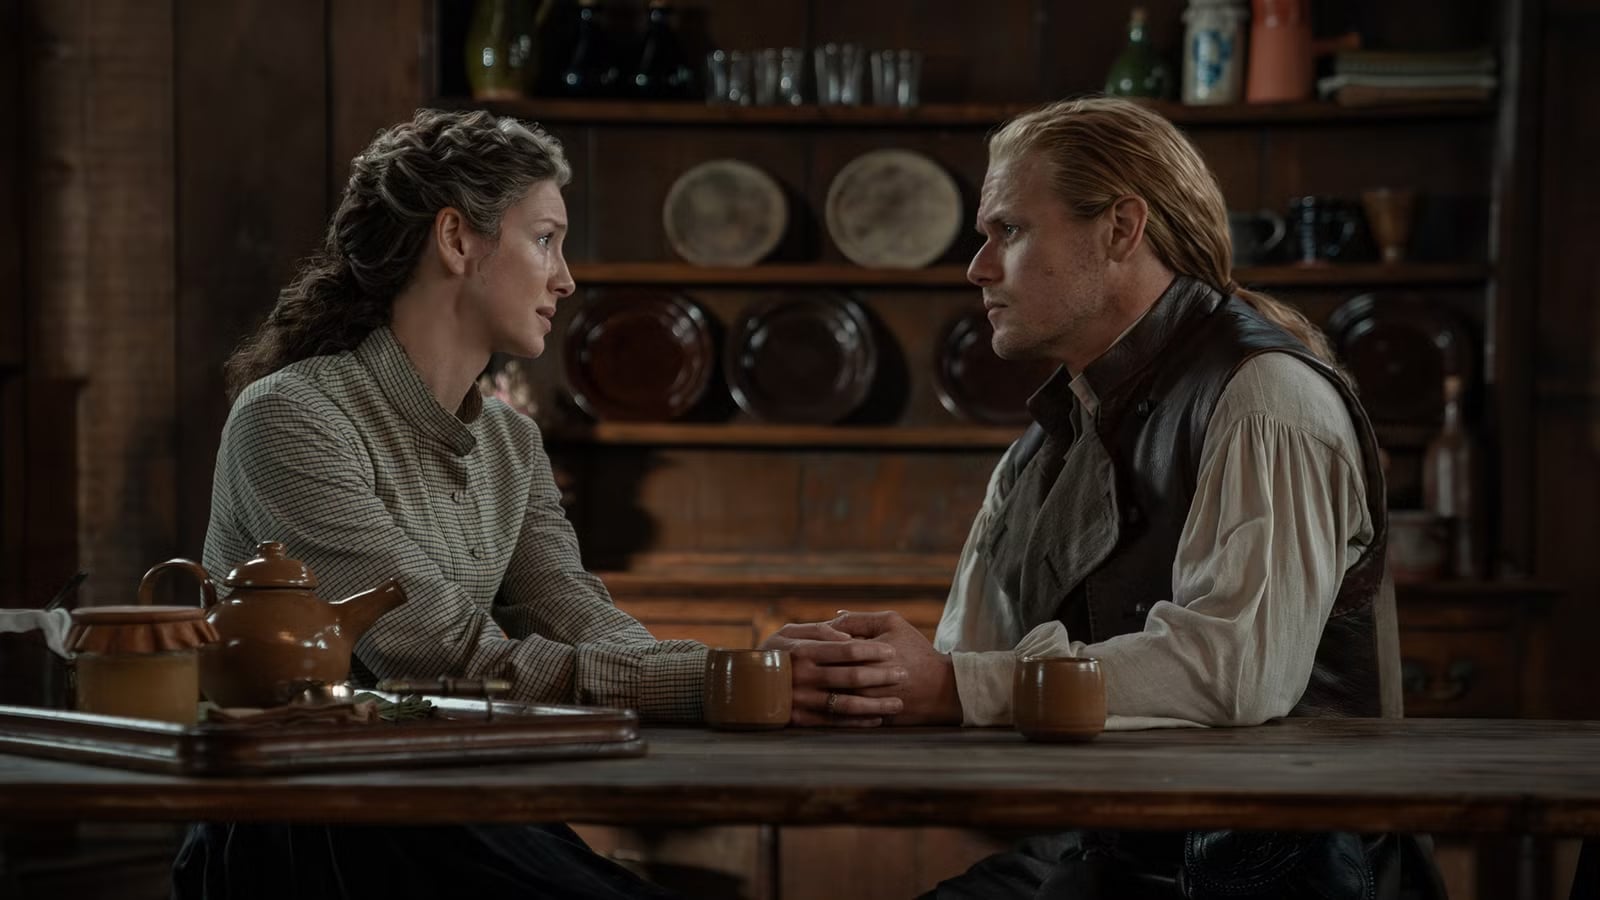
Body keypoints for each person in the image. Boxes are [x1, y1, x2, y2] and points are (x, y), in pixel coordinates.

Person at [172, 108, 901, 899]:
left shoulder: (511, 445)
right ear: (457, 240)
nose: (567, 278)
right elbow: (448, 665)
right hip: (315, 831)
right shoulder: (292, 418)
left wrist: (741, 673)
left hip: (455, 807)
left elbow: (586, 620)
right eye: (545, 238)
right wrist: (722, 681)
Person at [763, 97, 1446, 899]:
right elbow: (971, 661)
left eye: (1007, 232)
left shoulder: (1264, 396)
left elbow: (1235, 670)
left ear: (1121, 229)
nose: (977, 268)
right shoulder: (1044, 444)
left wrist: (953, 687)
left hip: (1272, 873)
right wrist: (870, 679)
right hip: (1105, 852)